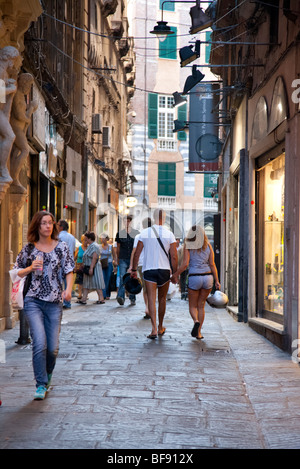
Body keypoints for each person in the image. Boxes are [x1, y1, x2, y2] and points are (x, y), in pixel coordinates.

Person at [13, 211, 74, 400]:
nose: (48, 226)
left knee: (53, 347)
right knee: (39, 343)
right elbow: (16, 272)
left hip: (55, 302)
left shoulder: (62, 247)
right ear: (37, 226)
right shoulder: (29, 249)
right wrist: (30, 268)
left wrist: (69, 290)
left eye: (50, 223)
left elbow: (69, 270)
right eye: (44, 223)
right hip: (33, 301)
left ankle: (47, 375)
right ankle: (40, 384)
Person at [131, 208, 178, 339]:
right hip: (164, 270)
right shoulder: (170, 234)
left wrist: (134, 269)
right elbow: (174, 256)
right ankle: (161, 326)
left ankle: (153, 329)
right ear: (165, 218)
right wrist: (175, 274)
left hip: (149, 270)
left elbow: (137, 254)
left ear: (153, 217)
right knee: (162, 299)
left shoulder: (144, 233)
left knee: (151, 299)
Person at [171, 225, 221, 340]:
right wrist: (217, 281)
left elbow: (184, 265)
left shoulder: (188, 246)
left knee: (192, 306)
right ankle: (198, 333)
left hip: (194, 277)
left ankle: (195, 321)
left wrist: (175, 275)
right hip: (208, 277)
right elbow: (213, 265)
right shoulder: (208, 246)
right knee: (201, 306)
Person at [129, 217, 152, 319]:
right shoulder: (155, 236)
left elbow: (134, 252)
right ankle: (151, 308)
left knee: (145, 289)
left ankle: (147, 307)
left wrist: (132, 266)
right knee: (151, 288)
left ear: (143, 225)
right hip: (152, 264)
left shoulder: (139, 236)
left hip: (141, 264)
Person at [115, 215, 139, 306]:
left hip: (133, 260)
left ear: (131, 222)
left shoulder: (136, 233)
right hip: (123, 258)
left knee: (132, 277)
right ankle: (121, 297)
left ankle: (132, 297)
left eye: (128, 221)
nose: (127, 223)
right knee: (122, 277)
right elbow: (118, 247)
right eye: (125, 221)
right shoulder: (120, 233)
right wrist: (117, 259)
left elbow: (138, 247)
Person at [78, 231, 105, 305]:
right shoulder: (90, 245)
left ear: (90, 238)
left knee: (97, 282)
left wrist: (91, 268)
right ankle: (84, 299)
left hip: (93, 267)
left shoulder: (94, 246)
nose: (85, 240)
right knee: (86, 283)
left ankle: (101, 298)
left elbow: (94, 257)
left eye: (86, 239)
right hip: (88, 266)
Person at [57, 220, 76, 309]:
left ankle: (60, 301)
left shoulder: (59, 236)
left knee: (59, 282)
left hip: (60, 262)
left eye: (57, 225)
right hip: (70, 262)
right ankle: (67, 303)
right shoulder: (72, 237)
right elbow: (73, 250)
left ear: (61, 227)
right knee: (68, 283)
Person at [99, 233, 114, 300]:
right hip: (101, 264)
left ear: (106, 239)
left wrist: (115, 263)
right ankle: (104, 295)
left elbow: (114, 255)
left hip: (109, 264)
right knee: (102, 279)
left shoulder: (111, 247)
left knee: (107, 279)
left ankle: (107, 294)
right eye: (101, 238)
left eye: (103, 238)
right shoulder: (99, 246)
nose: (102, 240)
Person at [74, 234, 88, 301]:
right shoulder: (79, 248)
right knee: (79, 281)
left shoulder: (89, 248)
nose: (85, 241)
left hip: (86, 266)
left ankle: (85, 294)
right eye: (84, 240)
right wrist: (74, 265)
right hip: (79, 266)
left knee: (86, 281)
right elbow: (75, 257)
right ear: (81, 240)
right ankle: (80, 294)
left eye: (86, 240)